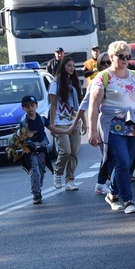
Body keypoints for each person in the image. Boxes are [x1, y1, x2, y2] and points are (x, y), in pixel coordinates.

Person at [88, 41, 135, 215]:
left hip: (134, 124)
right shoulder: (103, 77)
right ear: (112, 56)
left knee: (127, 163)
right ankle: (128, 200)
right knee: (121, 161)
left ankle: (112, 194)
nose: (125, 59)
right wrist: (92, 130)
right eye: (121, 56)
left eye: (128, 56)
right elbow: (94, 105)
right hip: (113, 125)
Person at [13, 95, 68, 204]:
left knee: (42, 171)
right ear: (23, 108)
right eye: (27, 106)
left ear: (36, 106)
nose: (30, 108)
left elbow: (53, 128)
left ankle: (38, 187)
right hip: (31, 151)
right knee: (35, 170)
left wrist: (67, 131)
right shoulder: (23, 123)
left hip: (42, 150)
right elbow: (20, 138)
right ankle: (36, 193)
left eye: (32, 105)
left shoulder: (42, 119)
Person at [71, 52, 111, 194]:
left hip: (123, 123)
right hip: (103, 122)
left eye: (109, 62)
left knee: (120, 154)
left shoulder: (122, 78)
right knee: (108, 154)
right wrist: (79, 124)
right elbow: (85, 104)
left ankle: (111, 182)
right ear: (99, 65)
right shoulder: (96, 82)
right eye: (104, 63)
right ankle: (103, 183)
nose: (107, 65)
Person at [49, 56, 83, 192]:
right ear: (63, 67)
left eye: (73, 66)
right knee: (66, 151)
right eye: (69, 65)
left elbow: (80, 106)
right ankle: (57, 173)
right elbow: (53, 106)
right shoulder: (55, 84)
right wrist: (52, 126)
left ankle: (70, 180)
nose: (71, 68)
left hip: (75, 121)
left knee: (74, 152)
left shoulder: (74, 83)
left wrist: (84, 122)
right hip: (60, 123)